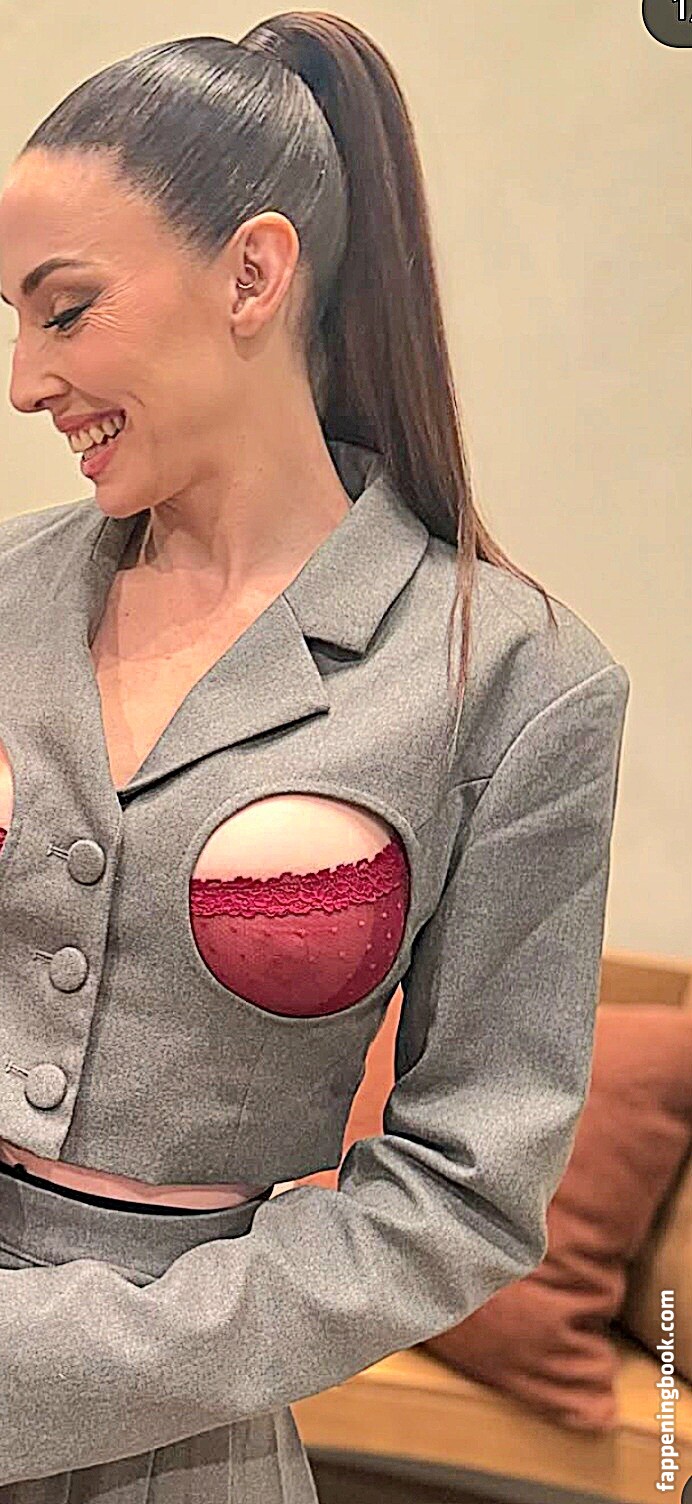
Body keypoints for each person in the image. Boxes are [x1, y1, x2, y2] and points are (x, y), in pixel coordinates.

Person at [0, 11, 630, 1501]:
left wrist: (51, 1370)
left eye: (65, 311)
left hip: (180, 1448)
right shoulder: (5, 593)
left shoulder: (515, 684)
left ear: (253, 274)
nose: (25, 381)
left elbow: (462, 1193)